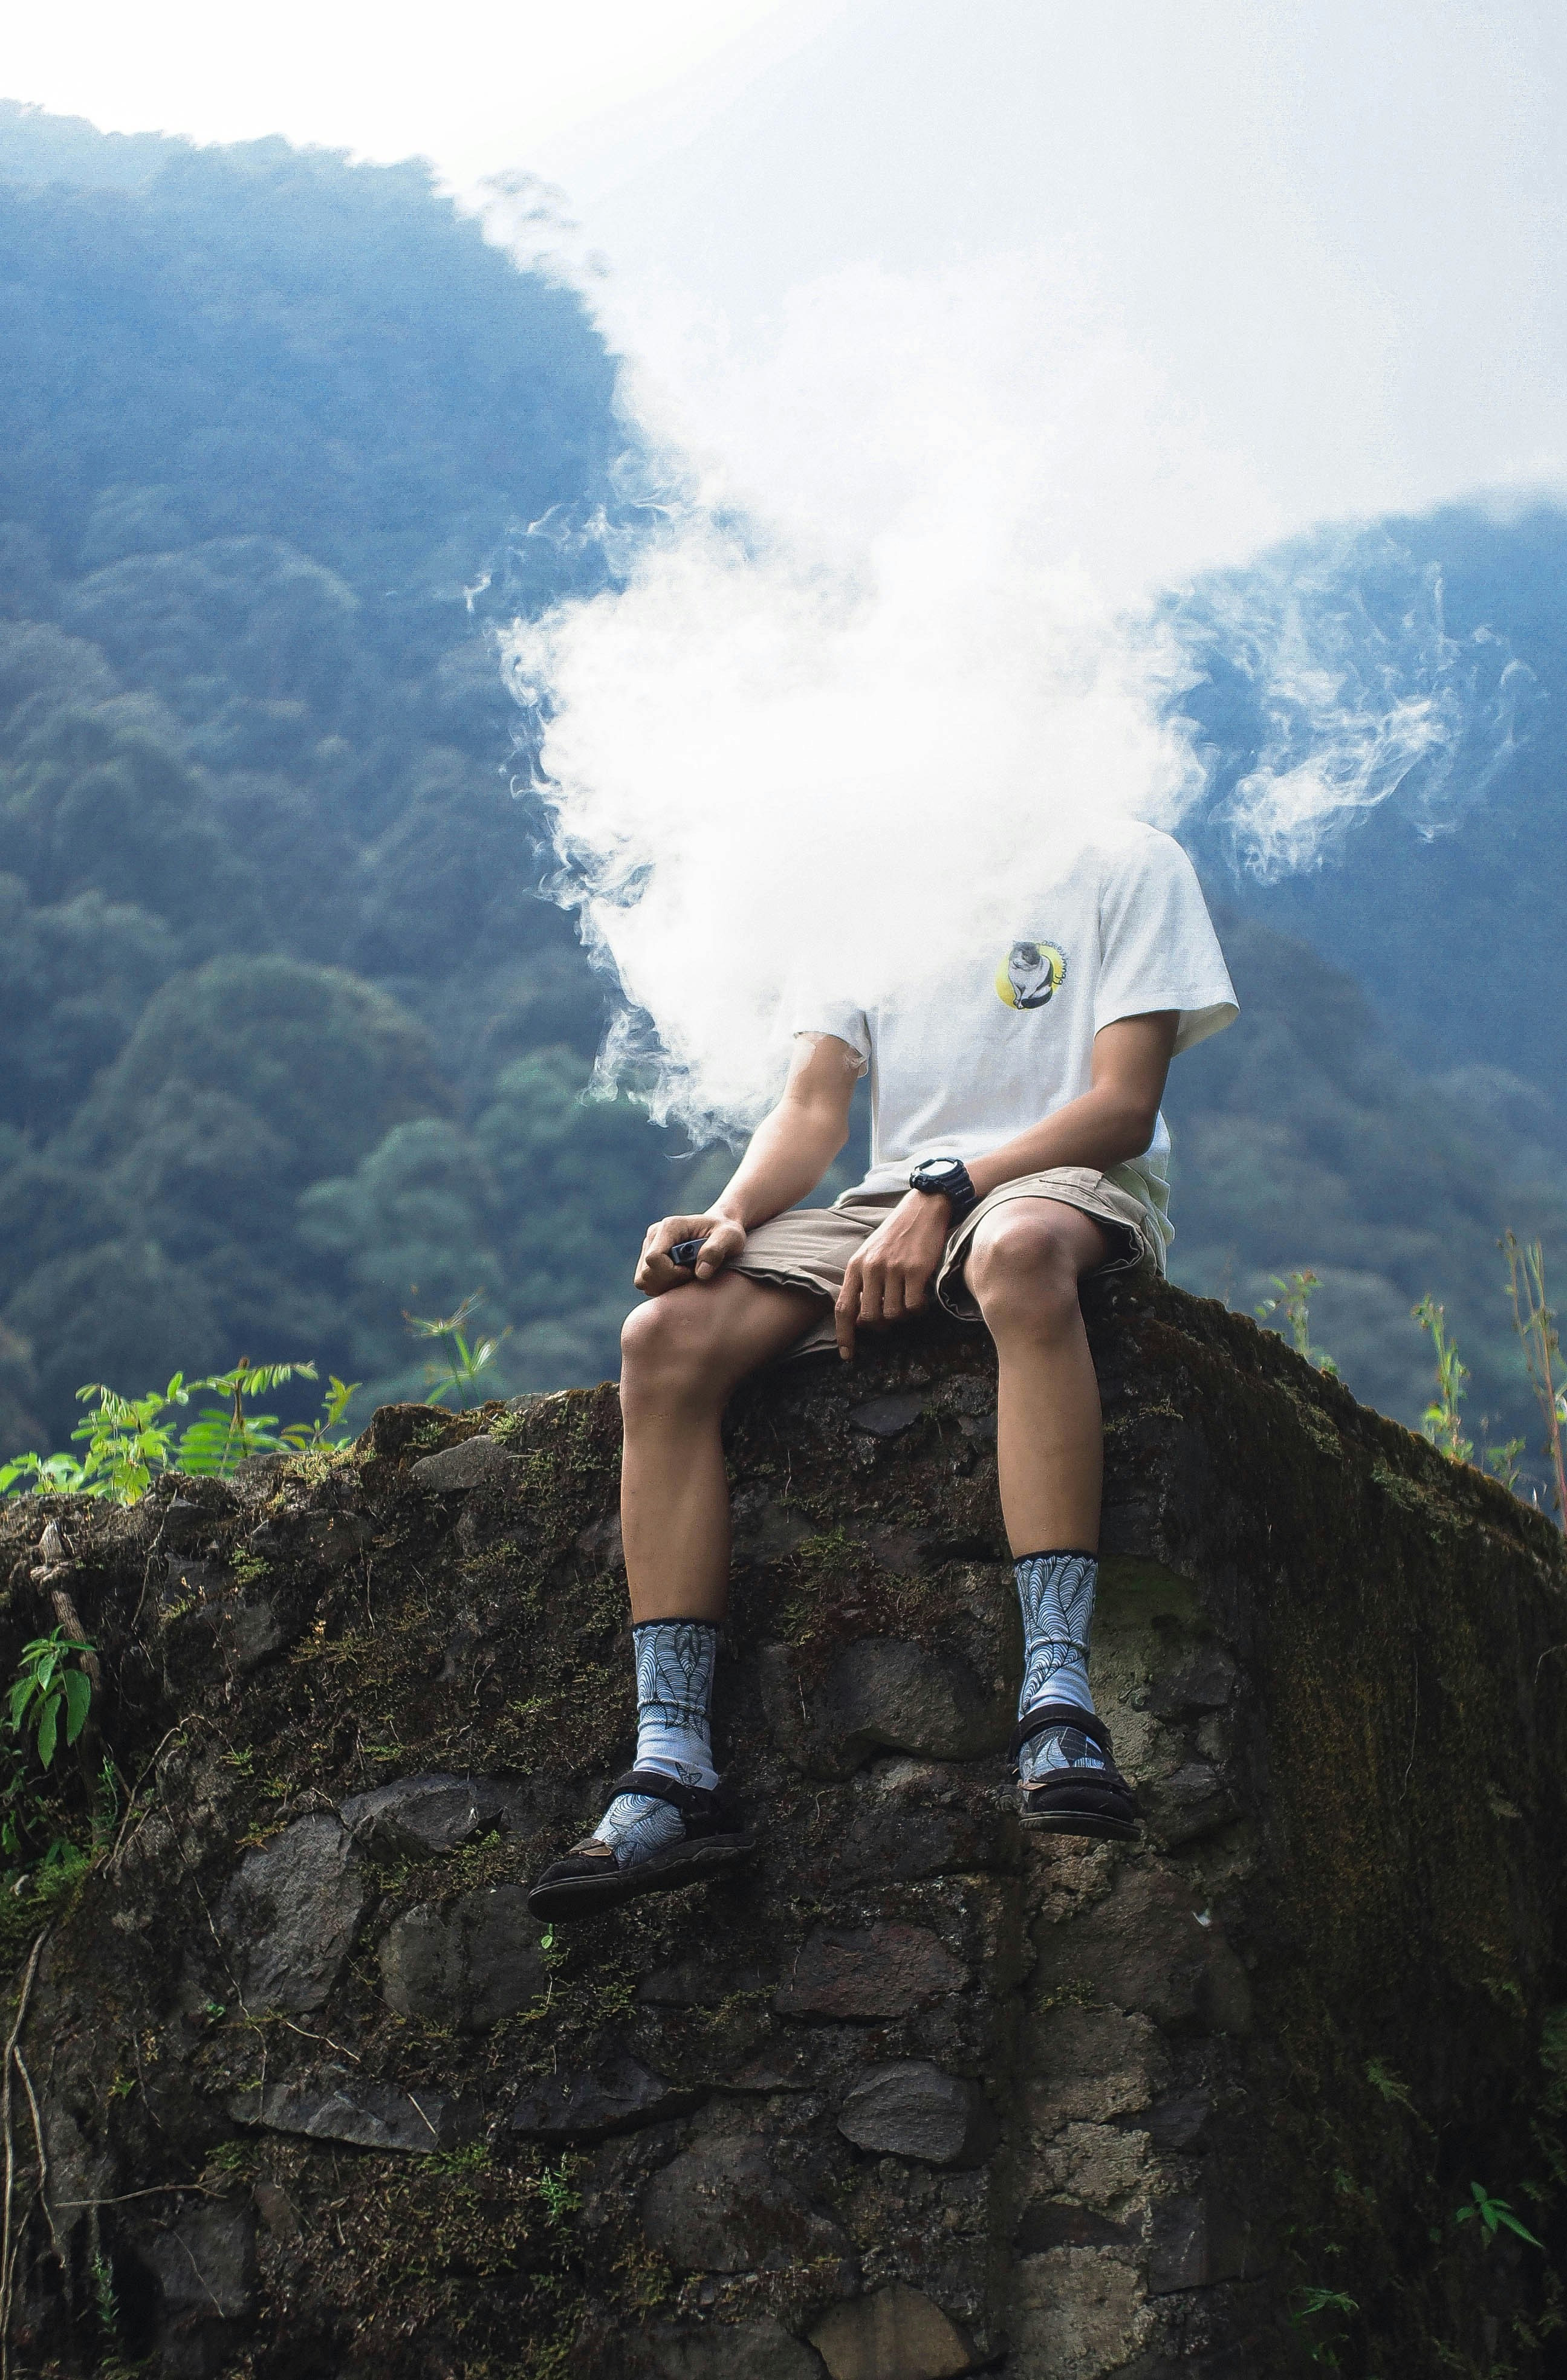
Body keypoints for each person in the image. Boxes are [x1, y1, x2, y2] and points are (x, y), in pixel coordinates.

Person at [528, 817, 1238, 1920]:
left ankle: (1060, 1703)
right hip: (885, 1207)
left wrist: (951, 1189)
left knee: (1016, 1252)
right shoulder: (863, 874)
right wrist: (731, 1212)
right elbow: (815, 1105)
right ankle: (674, 1764)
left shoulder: (1124, 857)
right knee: (661, 1339)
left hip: (1052, 1187)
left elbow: (1121, 1109)